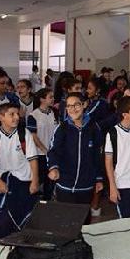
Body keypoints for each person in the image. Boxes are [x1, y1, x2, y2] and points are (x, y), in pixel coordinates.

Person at [0, 103, 40, 238]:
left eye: (17, 114)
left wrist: (35, 181)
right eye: (11, 114)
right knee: (3, 218)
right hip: (3, 182)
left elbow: (33, 159)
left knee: (27, 215)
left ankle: (26, 248)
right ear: (0, 117)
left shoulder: (24, 133)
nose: (16, 117)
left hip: (24, 181)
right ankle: (5, 248)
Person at [47, 93, 104, 223]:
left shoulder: (94, 128)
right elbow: (53, 151)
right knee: (66, 221)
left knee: (83, 220)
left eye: (76, 105)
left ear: (84, 105)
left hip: (86, 185)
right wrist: (53, 168)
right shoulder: (62, 128)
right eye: (69, 106)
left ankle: (81, 242)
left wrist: (99, 178)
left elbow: (97, 156)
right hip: (65, 185)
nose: (72, 109)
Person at [26, 88, 58, 201]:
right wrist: (45, 150)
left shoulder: (54, 113)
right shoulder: (33, 116)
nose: (53, 99)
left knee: (50, 181)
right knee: (38, 180)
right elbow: (33, 137)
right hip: (40, 154)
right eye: (50, 97)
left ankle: (47, 202)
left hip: (52, 153)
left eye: (53, 97)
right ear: (42, 99)